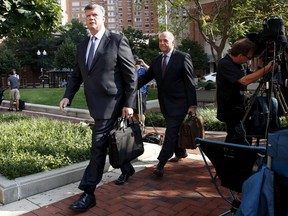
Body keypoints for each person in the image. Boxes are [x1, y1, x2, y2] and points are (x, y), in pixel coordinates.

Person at [59, 4, 137, 212]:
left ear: (103, 18)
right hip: (95, 104)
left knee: (98, 146)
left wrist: (129, 104)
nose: (91, 18)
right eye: (88, 16)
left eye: (95, 15)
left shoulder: (117, 41)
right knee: (110, 142)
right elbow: (77, 76)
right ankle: (127, 167)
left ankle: (88, 192)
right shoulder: (82, 46)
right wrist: (68, 96)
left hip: (113, 104)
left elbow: (131, 76)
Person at [138, 31, 198, 177]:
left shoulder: (183, 57)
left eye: (165, 40)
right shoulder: (157, 59)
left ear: (172, 42)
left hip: (180, 103)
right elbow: (146, 77)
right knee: (174, 129)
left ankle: (161, 163)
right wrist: (129, 86)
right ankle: (181, 152)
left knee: (170, 131)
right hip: (165, 103)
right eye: (160, 41)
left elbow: (190, 83)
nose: (162, 43)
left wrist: (192, 104)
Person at [216, 38, 275, 145]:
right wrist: (266, 69)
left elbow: (252, 77)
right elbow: (245, 81)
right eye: (249, 58)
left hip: (241, 107)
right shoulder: (225, 64)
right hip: (231, 109)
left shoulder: (239, 64)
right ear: (240, 55)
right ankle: (230, 158)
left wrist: (260, 67)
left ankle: (240, 157)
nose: (249, 60)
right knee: (235, 136)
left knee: (243, 135)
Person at [134, 58, 148, 126]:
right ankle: (137, 124)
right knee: (134, 111)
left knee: (141, 111)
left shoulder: (143, 69)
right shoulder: (131, 69)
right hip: (133, 93)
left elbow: (153, 72)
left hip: (142, 92)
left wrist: (144, 64)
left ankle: (142, 125)